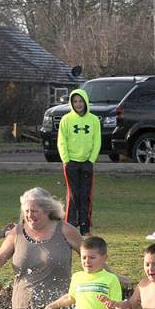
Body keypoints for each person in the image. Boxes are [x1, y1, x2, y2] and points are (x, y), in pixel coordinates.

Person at [57, 88, 101, 235]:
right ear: (71, 103)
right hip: (71, 163)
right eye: (75, 101)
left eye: (81, 101)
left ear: (85, 102)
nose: (78, 104)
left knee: (85, 195)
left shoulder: (94, 120)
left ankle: (85, 227)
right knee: (73, 194)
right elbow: (61, 141)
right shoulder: (66, 120)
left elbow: (97, 141)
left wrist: (91, 159)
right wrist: (66, 159)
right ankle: (70, 226)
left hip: (87, 163)